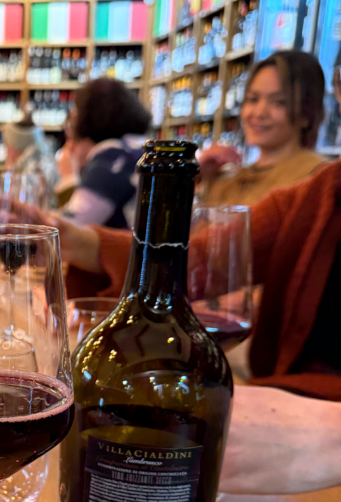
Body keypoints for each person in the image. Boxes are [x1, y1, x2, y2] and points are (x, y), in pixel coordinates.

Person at [36, 155, 341, 403]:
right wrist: (77, 242)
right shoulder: (317, 196)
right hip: (272, 400)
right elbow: (192, 262)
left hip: (282, 405)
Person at [197, 50, 327, 205]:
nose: (259, 113)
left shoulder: (317, 178)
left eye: (279, 102)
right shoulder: (227, 180)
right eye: (253, 99)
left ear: (306, 113)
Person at [63, 77, 151, 230]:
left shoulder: (113, 156)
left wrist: (68, 179)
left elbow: (71, 226)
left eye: (77, 109)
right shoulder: (139, 148)